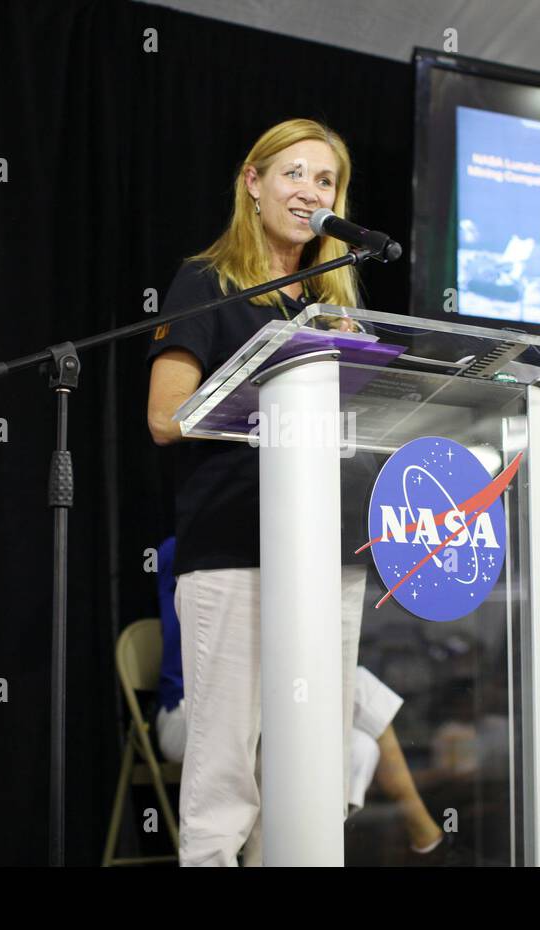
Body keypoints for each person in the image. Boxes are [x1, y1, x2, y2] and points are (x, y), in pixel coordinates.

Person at [146, 119, 368, 867]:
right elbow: (165, 416)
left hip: (329, 555)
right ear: (254, 182)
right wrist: (269, 406)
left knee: (312, 772)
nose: (309, 191)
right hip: (233, 548)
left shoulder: (334, 307)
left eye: (325, 180)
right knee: (225, 777)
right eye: (293, 173)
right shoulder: (207, 283)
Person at [153, 538, 448, 859]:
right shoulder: (192, 549)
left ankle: (300, 850)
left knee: (360, 747)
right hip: (189, 708)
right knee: (344, 682)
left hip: (267, 707)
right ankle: (419, 821)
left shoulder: (302, 548)